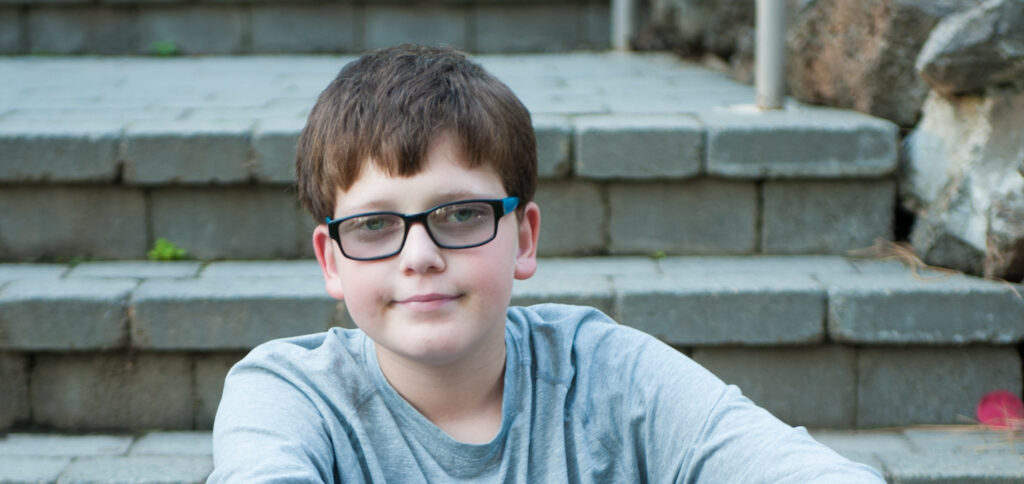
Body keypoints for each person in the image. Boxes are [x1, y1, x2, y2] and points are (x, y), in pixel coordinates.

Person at [208, 44, 884, 483]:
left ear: (523, 238)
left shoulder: (607, 372)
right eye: (375, 225)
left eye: (460, 214)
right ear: (331, 258)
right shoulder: (287, 396)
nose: (420, 257)